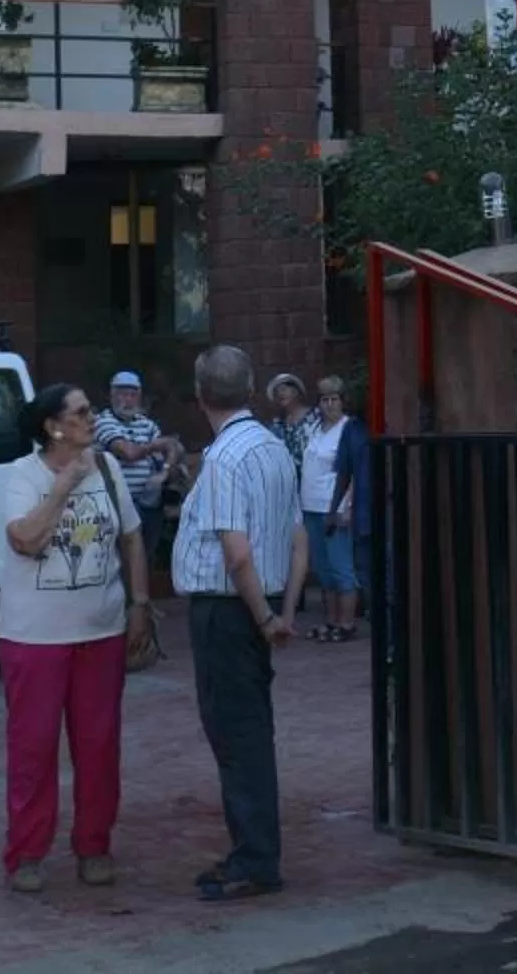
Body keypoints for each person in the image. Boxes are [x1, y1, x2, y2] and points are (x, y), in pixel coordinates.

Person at [0, 382, 157, 894]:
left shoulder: (109, 468)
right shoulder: (22, 476)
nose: (93, 418)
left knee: (98, 746)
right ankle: (26, 853)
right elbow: (25, 539)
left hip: (101, 632)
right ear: (53, 426)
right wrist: (65, 482)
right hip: (34, 638)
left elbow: (130, 537)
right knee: (33, 749)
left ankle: (94, 845)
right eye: (83, 411)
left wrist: (139, 604)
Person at [173, 344, 304, 901]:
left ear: (201, 395)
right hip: (258, 603)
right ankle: (253, 849)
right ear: (250, 389)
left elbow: (236, 550)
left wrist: (267, 614)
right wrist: (284, 611)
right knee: (248, 729)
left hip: (229, 609)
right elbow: (298, 538)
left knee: (236, 734)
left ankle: (254, 856)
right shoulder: (272, 448)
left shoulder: (226, 457)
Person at [298, 377, 365, 643]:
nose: (328, 404)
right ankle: (331, 621)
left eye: (334, 399)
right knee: (323, 568)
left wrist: (347, 505)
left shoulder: (349, 429)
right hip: (310, 505)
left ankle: (347, 623)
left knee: (341, 566)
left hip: (334, 506)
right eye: (324, 399)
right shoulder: (315, 428)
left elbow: (355, 471)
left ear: (342, 401)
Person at [93, 370, 185, 563]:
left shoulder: (147, 424)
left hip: (149, 502)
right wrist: (156, 445)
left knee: (147, 554)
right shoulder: (103, 422)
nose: (128, 400)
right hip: (117, 504)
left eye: (133, 395)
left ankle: (142, 590)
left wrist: (166, 469)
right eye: (122, 394)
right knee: (123, 558)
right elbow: (128, 452)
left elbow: (171, 447)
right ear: (112, 395)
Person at [263, 373, 314, 475]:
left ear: (296, 391)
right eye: (276, 392)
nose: (280, 394)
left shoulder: (315, 417)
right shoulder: (277, 425)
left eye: (283, 389)